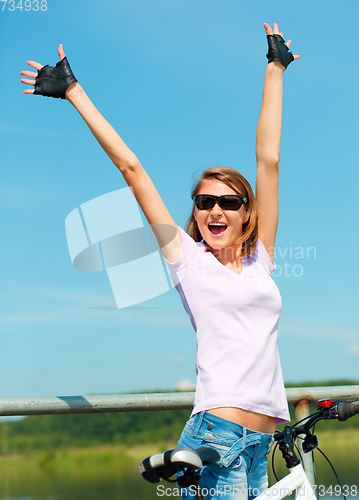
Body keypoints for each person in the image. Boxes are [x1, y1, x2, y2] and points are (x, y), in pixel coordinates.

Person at [21, 22, 299, 499]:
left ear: (246, 212)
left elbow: (268, 160)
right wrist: (73, 90)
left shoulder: (261, 259)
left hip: (266, 436)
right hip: (218, 435)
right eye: (204, 200)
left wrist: (275, 68)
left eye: (229, 202)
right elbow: (133, 168)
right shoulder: (187, 259)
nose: (215, 209)